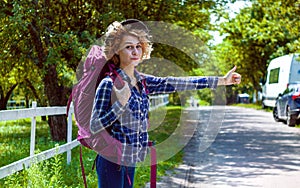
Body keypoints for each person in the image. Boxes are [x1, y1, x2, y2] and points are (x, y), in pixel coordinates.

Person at [90, 19, 241, 188]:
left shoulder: (142, 81)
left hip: (130, 159)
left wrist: (222, 81)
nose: (135, 51)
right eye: (128, 47)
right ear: (116, 50)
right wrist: (120, 104)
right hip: (112, 161)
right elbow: (95, 126)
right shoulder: (108, 84)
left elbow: (180, 82)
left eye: (138, 46)